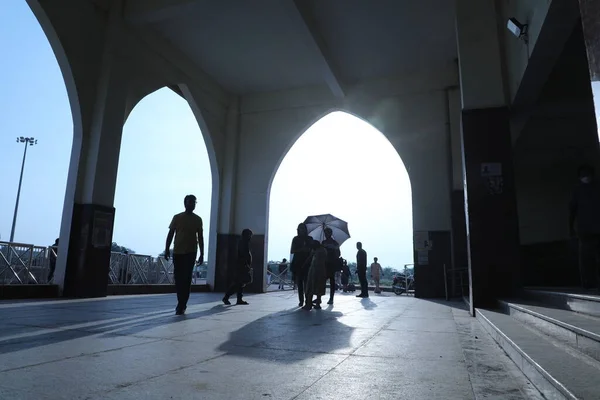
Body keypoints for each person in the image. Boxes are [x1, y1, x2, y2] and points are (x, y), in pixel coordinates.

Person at [165, 194, 204, 315]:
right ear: (185, 203)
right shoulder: (177, 217)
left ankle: (182, 304)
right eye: (189, 202)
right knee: (178, 278)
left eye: (193, 202)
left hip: (191, 252)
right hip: (177, 251)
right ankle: (180, 301)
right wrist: (167, 249)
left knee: (187, 279)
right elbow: (171, 234)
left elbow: (200, 237)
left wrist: (202, 253)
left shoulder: (198, 219)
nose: (191, 204)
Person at [570, 164, 600, 290]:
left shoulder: (578, 190)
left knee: (587, 259)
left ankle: (588, 283)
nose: (586, 177)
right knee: (588, 259)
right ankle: (589, 283)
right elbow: (572, 210)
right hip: (588, 230)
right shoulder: (582, 190)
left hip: (587, 230)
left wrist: (571, 228)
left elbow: (572, 211)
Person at [223, 229, 253, 305]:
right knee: (238, 284)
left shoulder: (243, 242)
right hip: (242, 266)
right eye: (250, 235)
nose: (250, 237)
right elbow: (244, 255)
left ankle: (238, 299)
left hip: (242, 266)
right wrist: (246, 264)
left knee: (240, 284)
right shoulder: (243, 243)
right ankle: (227, 297)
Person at [290, 223, 313, 307]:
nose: (301, 230)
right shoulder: (296, 239)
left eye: (303, 229)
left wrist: (308, 250)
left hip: (307, 263)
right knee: (299, 283)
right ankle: (301, 300)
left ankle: (308, 300)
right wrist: (301, 249)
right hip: (298, 263)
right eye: (300, 229)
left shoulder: (310, 239)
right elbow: (292, 250)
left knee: (307, 283)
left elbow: (312, 250)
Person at [303, 240, 327, 310]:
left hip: (316, 270)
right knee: (318, 287)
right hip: (319, 270)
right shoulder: (322, 250)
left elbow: (312, 259)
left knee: (311, 287)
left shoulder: (319, 251)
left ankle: (309, 304)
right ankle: (317, 303)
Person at [322, 227, 341, 305]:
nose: (327, 234)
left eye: (328, 233)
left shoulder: (335, 243)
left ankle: (331, 298)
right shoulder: (323, 242)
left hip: (332, 264)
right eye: (326, 233)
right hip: (325, 263)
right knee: (322, 281)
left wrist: (333, 249)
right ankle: (319, 297)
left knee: (332, 281)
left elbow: (339, 254)